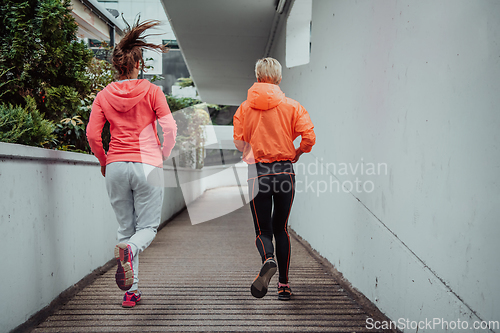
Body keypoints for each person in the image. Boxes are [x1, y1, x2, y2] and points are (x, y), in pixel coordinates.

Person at [86, 20, 177, 308]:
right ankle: (130, 253)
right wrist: (162, 154)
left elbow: (92, 134)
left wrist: (104, 161)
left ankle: (131, 292)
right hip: (147, 164)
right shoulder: (151, 91)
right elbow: (171, 128)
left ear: (117, 65)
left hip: (115, 166)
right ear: (138, 62)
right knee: (147, 228)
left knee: (126, 229)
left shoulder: (103, 95)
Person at [233, 57, 316, 300]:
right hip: (284, 172)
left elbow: (239, 142)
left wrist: (252, 151)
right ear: (279, 78)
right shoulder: (293, 106)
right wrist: (297, 151)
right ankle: (284, 285)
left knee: (263, 230)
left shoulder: (244, 109)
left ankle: (268, 258)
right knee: (281, 228)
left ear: (258, 77)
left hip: (257, 173)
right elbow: (309, 137)